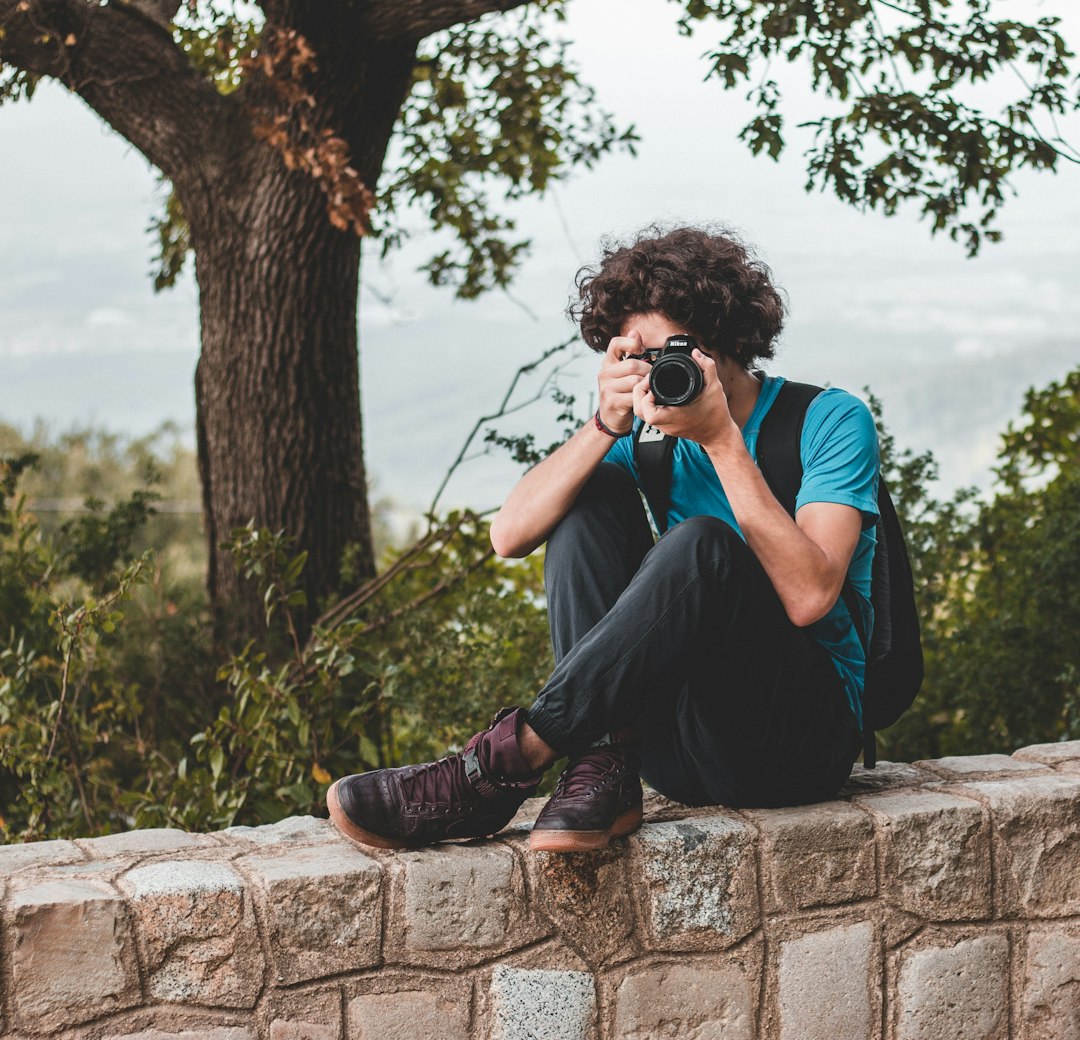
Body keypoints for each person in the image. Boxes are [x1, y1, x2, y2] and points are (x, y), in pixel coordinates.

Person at [328, 225, 877, 853]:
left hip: (796, 743)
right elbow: (508, 535)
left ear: (723, 336)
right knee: (583, 497)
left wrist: (721, 438)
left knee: (703, 544)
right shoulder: (648, 440)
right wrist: (603, 425)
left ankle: (500, 765)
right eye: (638, 356)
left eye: (674, 349)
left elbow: (811, 595)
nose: (657, 371)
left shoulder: (828, 420)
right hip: (678, 749)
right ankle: (600, 766)